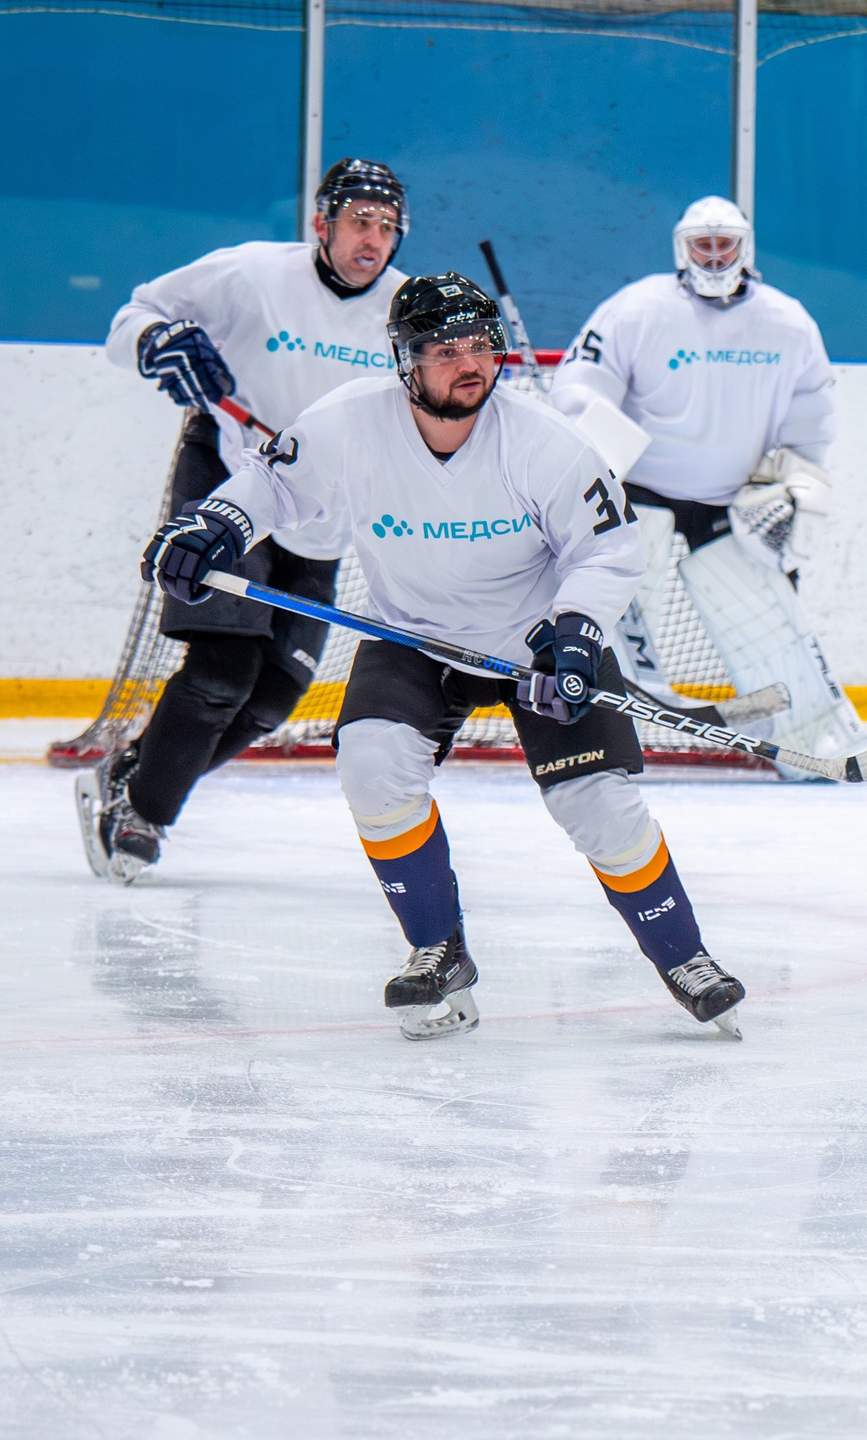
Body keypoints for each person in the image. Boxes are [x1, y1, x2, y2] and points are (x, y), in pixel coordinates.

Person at [137, 274, 749, 1041]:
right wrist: (216, 525)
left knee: (598, 805)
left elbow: (610, 548)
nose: (471, 364)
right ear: (404, 360)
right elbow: (270, 484)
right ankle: (438, 949)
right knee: (370, 763)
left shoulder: (545, 441)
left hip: (538, 645)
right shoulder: (349, 420)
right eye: (446, 349)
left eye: (481, 346)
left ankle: (683, 956)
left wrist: (579, 627)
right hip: (413, 637)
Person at [77, 158, 412, 882]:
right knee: (222, 672)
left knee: (272, 697)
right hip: (233, 476)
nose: (373, 238)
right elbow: (132, 315)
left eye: (387, 226)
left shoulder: (407, 308)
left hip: (322, 506)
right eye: (359, 219)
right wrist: (156, 343)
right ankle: (141, 812)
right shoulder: (252, 273)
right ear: (322, 224)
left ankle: (138, 772)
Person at [547, 196, 863, 760]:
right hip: (637, 492)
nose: (715, 256)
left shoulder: (787, 322)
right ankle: (596, 732)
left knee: (766, 624)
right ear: (681, 248)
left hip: (734, 499)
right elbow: (578, 386)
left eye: (725, 245)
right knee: (604, 608)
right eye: (703, 245)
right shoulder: (636, 309)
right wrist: (600, 464)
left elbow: (812, 420)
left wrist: (791, 486)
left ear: (746, 249)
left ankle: (806, 739)